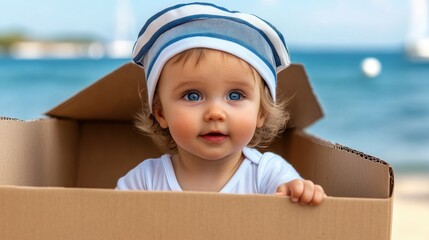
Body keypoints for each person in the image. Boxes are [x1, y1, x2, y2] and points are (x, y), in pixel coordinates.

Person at [116, 2, 325, 205]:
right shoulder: (144, 181)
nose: (215, 113)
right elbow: (107, 218)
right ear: (161, 113)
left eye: (235, 96)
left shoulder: (268, 174)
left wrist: (299, 191)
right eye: (192, 96)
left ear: (261, 112)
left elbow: (293, 196)